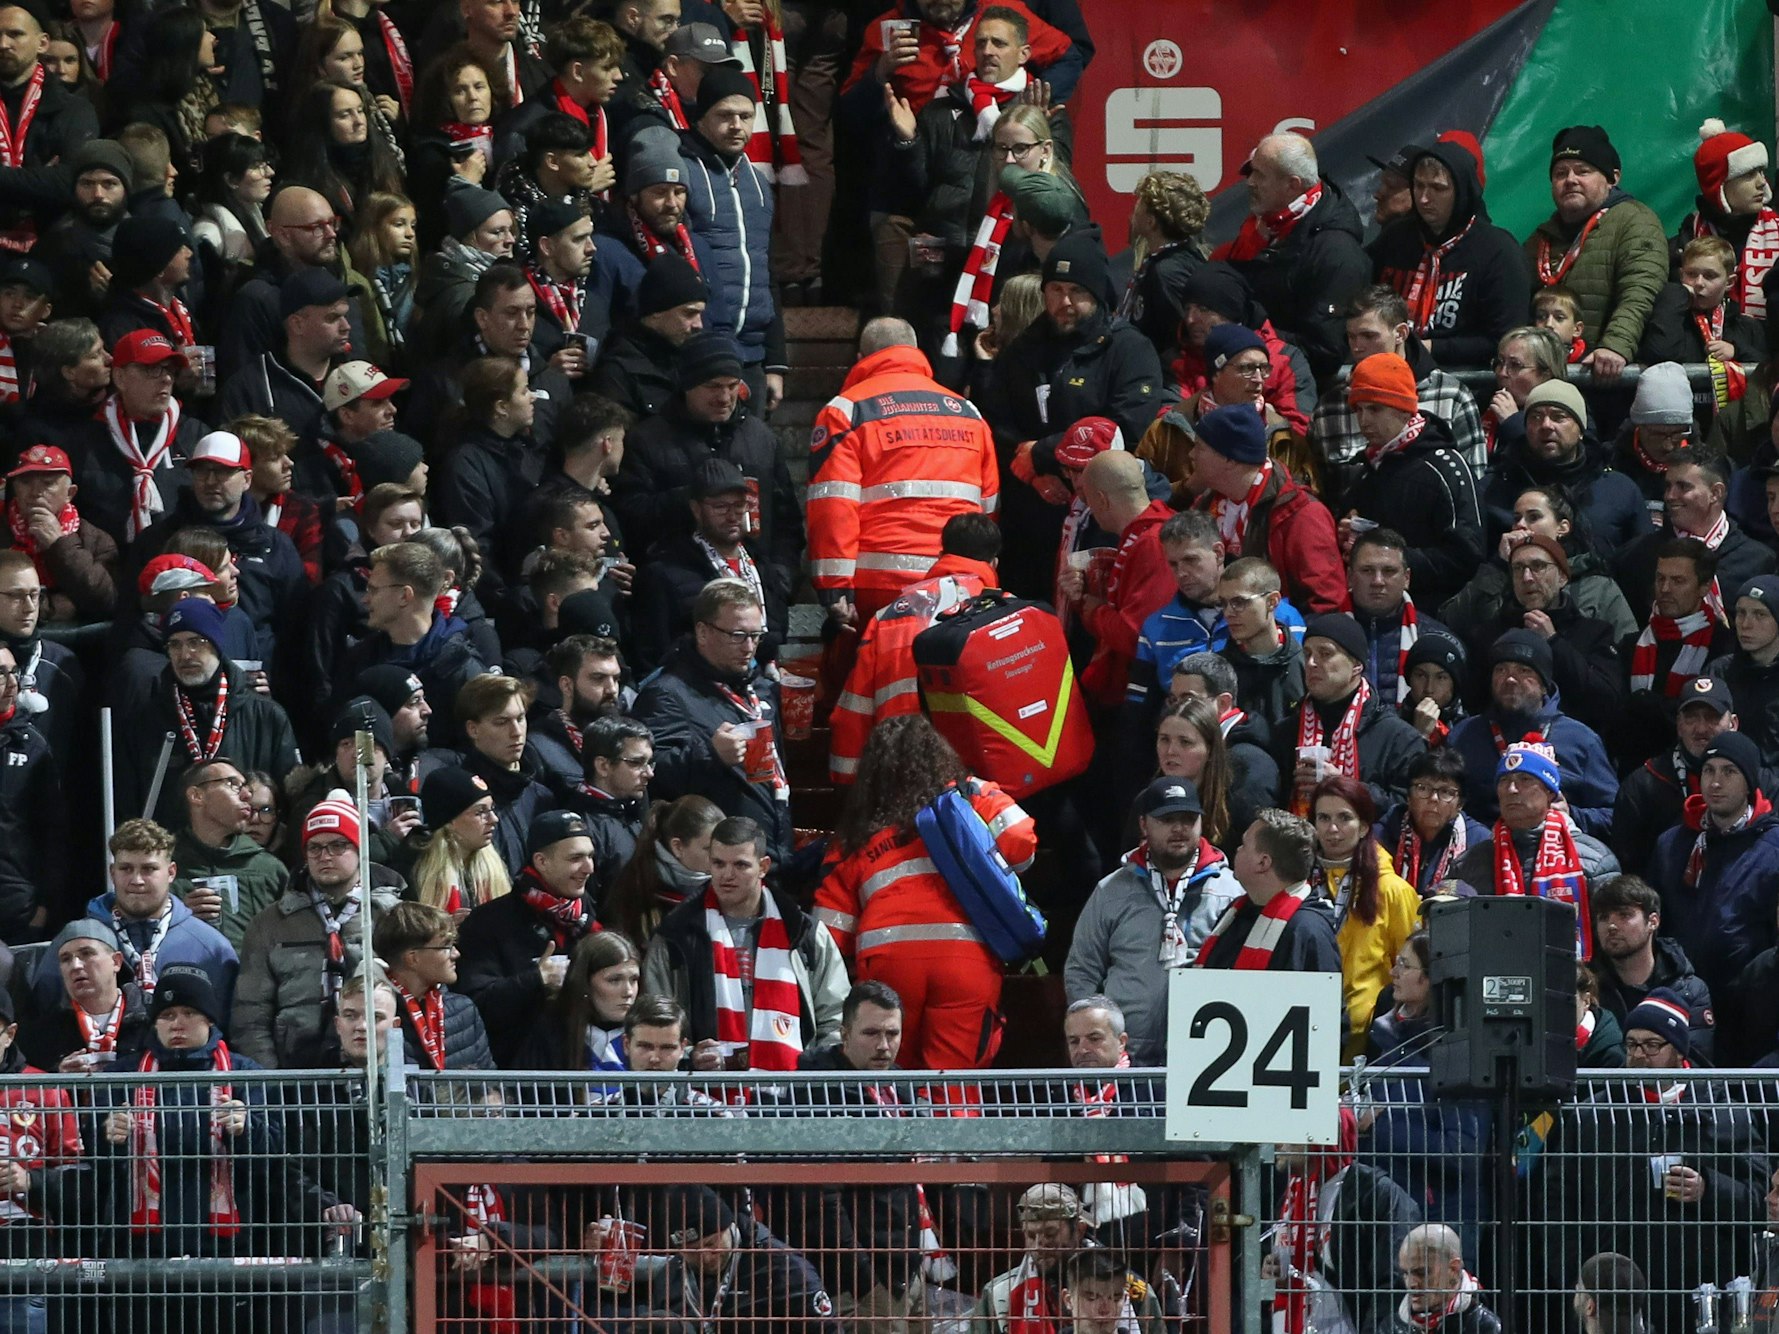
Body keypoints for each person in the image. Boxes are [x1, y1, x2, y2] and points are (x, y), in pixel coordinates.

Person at [1533, 993, 1764, 1334]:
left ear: (1679, 1050)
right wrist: (1575, 1276)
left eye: (1652, 1045)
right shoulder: (1595, 1114)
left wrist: (1708, 1188)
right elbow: (1557, 1201)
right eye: (1631, 1044)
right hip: (1613, 1297)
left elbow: (1760, 1197)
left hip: (1703, 1295)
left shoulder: (1723, 1111)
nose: (1639, 1055)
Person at [95, 964, 287, 1334]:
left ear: (209, 1019)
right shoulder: (119, 1078)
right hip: (140, 1252)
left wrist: (247, 1130)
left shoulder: (247, 1075)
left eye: (188, 1013)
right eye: (166, 1015)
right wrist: (110, 1137)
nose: (177, 1023)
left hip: (226, 1250)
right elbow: (95, 1165)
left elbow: (275, 1158)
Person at [983, 225, 1163, 600]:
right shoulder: (1023, 350)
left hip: (1100, 516)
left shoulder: (1128, 349)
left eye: (1076, 292)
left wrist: (1042, 454)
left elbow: (1124, 424)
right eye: (1055, 290)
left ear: (1097, 294)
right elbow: (996, 419)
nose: (1064, 302)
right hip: (1031, 516)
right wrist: (1029, 469)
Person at [807, 316, 998, 625]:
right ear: (916, 351)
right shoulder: (967, 411)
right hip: (960, 583)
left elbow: (833, 506)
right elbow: (988, 507)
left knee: (874, 671)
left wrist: (834, 589)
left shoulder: (847, 411)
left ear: (861, 359)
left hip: (879, 585)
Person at [610, 331, 804, 600]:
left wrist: (779, 580)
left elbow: (787, 522)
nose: (725, 397)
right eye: (713, 386)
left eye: (732, 385)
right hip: (678, 599)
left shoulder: (761, 438)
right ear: (687, 385)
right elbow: (629, 515)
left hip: (757, 597)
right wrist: (691, 499)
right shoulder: (648, 440)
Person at [645, 814, 846, 1070]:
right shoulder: (675, 935)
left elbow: (835, 1016)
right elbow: (654, 1024)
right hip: (703, 1098)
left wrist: (816, 1067)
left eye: (740, 865)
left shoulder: (804, 932)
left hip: (794, 1098)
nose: (727, 875)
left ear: (763, 866)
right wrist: (689, 1057)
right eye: (718, 864)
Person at [1065, 777, 1239, 1063]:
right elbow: (1082, 968)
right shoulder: (1112, 891)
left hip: (1207, 1055)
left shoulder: (1230, 890)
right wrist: (1099, 1035)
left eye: (1188, 819)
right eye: (1168, 819)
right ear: (1144, 825)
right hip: (1126, 1055)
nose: (1180, 828)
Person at [233, 790, 405, 1069]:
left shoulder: (392, 915)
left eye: (338, 845)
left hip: (379, 1070)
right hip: (296, 1078)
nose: (324, 856)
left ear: (360, 849)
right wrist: (270, 1081)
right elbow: (250, 1014)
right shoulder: (270, 923)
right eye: (315, 848)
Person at [632, 578, 791, 866]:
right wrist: (712, 755)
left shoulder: (761, 690)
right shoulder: (667, 693)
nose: (749, 647)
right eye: (738, 635)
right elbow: (649, 776)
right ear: (703, 631)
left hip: (768, 854)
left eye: (756, 636)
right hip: (714, 867)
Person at [113, 598, 299, 828]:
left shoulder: (266, 716)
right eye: (174, 644)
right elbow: (128, 804)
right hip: (171, 854)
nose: (185, 654)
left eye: (195, 642)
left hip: (247, 854)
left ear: (217, 644)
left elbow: (289, 802)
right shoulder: (145, 721)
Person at [1213, 131, 1370, 379]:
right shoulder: (1269, 226)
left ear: (1293, 185)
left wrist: (1245, 333)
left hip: (1295, 393)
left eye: (1259, 175)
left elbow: (1324, 349)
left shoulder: (1337, 253)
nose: (1249, 182)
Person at [1336, 352, 1484, 610]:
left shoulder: (1445, 467)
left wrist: (1392, 559)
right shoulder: (1368, 467)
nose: (1364, 420)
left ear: (1404, 409)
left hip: (1435, 611)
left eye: (1374, 408)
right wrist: (1346, 533)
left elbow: (1467, 556)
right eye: (1358, 409)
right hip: (1375, 609)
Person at [1523, 125, 1669, 382]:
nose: (1570, 179)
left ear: (1613, 178)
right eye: (1560, 173)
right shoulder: (1540, 239)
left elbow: (1640, 292)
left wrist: (1615, 345)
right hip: (1548, 377)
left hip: (1608, 378)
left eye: (1583, 171)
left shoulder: (1634, 221)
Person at [1370, 141, 1529, 372]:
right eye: (1418, 186)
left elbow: (1506, 341)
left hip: (1464, 383)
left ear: (1461, 191)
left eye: (1438, 188)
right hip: (1387, 373)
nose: (1424, 198)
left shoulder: (1498, 251)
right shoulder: (1394, 238)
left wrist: (1429, 347)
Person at [1450, 742, 1620, 957]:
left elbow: (1614, 938)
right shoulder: (1468, 865)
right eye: (1504, 781)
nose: (1512, 789)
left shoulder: (1595, 860)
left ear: (1550, 792)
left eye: (1525, 779)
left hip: (1576, 982)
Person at [455, 809, 597, 1063]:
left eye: (590, 856)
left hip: (585, 1070)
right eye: (576, 858)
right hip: (517, 1078)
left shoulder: (592, 918)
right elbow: (474, 1006)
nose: (589, 868)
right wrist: (535, 980)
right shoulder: (488, 922)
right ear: (541, 861)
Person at [1445, 630, 1618, 837]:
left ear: (1544, 685)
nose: (1509, 679)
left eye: (1524, 670)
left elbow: (1614, 815)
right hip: (1481, 854)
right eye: (1501, 670)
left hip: (1560, 853)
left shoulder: (1581, 740)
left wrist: (1571, 815)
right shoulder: (1463, 735)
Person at [1646, 730, 1779, 995]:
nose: (1716, 783)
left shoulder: (1772, 847)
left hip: (1750, 997)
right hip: (1680, 992)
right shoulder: (1672, 843)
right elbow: (1656, 918)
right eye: (1709, 771)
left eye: (1729, 772)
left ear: (1749, 783)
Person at [1457, 532, 1625, 742]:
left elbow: (1606, 701)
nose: (1527, 577)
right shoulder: (1489, 635)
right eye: (1518, 569)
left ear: (1562, 577)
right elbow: (1473, 700)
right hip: (1499, 747)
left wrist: (1554, 642)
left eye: (1538, 566)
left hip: (1570, 748)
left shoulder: (1595, 632)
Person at [1266, 1112, 1420, 1334]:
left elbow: (1394, 1284)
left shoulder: (1374, 1194)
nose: (1276, 1141)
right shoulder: (1291, 1198)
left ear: (1321, 1135)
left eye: (1289, 1129)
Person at [1310, 285, 1488, 475]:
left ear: (1401, 333)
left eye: (1369, 336)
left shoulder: (1451, 396)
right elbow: (1316, 488)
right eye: (1351, 337)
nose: (1357, 347)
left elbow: (1473, 481)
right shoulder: (1330, 407)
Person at [634, 458, 789, 674]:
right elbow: (653, 655)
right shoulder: (665, 572)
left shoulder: (761, 564)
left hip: (759, 684)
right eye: (721, 507)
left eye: (739, 505)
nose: (732, 515)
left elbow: (775, 631)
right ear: (696, 509)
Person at [1190, 405, 1348, 615]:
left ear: (1229, 458)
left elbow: (1326, 604)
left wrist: (1287, 643)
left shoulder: (1301, 513)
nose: (1191, 455)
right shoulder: (1204, 505)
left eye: (1199, 447)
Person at [1441, 484, 1638, 644]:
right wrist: (1497, 567)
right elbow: (1454, 621)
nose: (1521, 525)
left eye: (1534, 517)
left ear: (1563, 527)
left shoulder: (1597, 587)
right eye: (1516, 518)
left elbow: (1626, 647)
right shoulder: (1501, 577)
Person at [1308, 775, 1418, 1057]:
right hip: (1304, 1029)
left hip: (1369, 1042)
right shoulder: (1300, 882)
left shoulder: (1393, 890)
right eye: (1323, 818)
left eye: (1345, 818)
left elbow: (1411, 967)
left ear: (1364, 827)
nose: (1332, 829)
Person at [1479, 378, 1646, 559]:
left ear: (1581, 430)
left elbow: (1643, 561)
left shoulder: (1618, 489)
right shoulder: (1493, 488)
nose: (1546, 425)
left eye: (1559, 417)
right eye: (1536, 417)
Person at [639, 1182, 841, 1331]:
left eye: (711, 1244)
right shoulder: (671, 1277)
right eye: (692, 1251)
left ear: (729, 1227)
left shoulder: (783, 1268)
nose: (706, 1257)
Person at [1280, 613, 1427, 814]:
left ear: (1357, 665)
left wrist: (1345, 786)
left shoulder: (1399, 738)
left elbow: (1408, 812)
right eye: (1307, 654)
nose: (1312, 663)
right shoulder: (1287, 731)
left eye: (1325, 653)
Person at [1058, 451, 1174, 707]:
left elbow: (1135, 635)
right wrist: (1084, 596)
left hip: (1143, 691)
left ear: (1101, 500)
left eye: (1088, 499)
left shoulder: (1153, 543)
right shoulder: (1145, 532)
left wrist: (1093, 611)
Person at [1616, 447, 1778, 626]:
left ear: (1716, 493)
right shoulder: (1636, 556)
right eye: (1668, 486)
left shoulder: (1759, 560)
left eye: (1683, 487)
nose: (1670, 496)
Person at [0, 1, 100, 246]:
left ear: (42, 43)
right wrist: (38, 176)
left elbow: (68, 183)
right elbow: (52, 182)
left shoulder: (74, 109)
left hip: (52, 246)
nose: (3, 44)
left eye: (15, 34)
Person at [1587, 875, 1715, 1060]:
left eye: (1624, 915)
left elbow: (1697, 1064)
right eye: (1604, 917)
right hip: (1603, 1089)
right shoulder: (1587, 987)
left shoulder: (1689, 990)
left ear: (1653, 922)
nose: (1612, 926)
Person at [1195, 808, 1341, 971]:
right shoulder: (1238, 911)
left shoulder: (1307, 930)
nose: (1237, 849)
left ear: (1263, 862)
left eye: (1244, 845)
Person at [170, 756, 289, 950]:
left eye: (246, 788)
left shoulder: (269, 869)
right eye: (233, 784)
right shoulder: (162, 866)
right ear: (196, 796)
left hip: (255, 979)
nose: (246, 796)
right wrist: (177, 916)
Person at [1672, 118, 1779, 324]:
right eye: (1748, 174)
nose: (1761, 182)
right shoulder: (1686, 240)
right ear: (1719, 186)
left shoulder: (1776, 229)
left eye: (1761, 172)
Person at [18, 918, 152, 1071]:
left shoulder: (151, 1017)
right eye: (66, 959)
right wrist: (57, 1079)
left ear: (116, 962)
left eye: (87, 953)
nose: (75, 966)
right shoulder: (41, 1034)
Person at [374, 900, 495, 1070]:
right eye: (446, 945)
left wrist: (493, 1096)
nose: (456, 954)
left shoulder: (464, 1009)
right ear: (413, 958)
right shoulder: (372, 1014)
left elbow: (489, 1081)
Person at [587, 253, 709, 419]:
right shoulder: (618, 371)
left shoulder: (694, 358)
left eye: (700, 314)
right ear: (656, 312)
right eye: (689, 313)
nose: (698, 325)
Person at [510, 930, 642, 1082]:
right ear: (585, 984)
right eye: (614, 980)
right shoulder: (550, 1033)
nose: (628, 991)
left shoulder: (649, 1030)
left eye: (633, 979)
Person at [1343, 528, 1450, 706]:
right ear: (1349, 577)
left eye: (1389, 571)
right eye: (1367, 570)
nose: (1378, 581)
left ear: (1406, 578)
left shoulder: (1435, 637)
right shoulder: (1320, 637)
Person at [601, 794, 722, 945]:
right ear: (677, 847)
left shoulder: (726, 890)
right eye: (709, 849)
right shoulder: (633, 891)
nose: (719, 859)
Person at [564, 715, 653, 901]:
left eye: (649, 762)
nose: (649, 773)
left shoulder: (635, 809)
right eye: (636, 763)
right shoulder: (581, 828)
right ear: (603, 766)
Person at [1377, 750, 1488, 896]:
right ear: (1408, 797)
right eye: (1423, 788)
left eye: (1446, 792)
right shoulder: (1380, 835)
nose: (1434, 798)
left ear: (1460, 804)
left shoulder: (1479, 843)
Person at [1215, 557, 1307, 729]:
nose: (1228, 613)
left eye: (1239, 602)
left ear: (1272, 602)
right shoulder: (1218, 672)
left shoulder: (1305, 666)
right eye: (1223, 603)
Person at [1394, 1223, 1501, 1334]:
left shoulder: (1486, 1328)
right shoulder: (1390, 1327)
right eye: (1405, 1273)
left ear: (1454, 1269)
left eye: (1421, 1273)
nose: (1411, 1284)